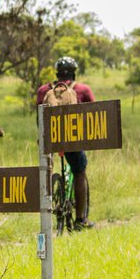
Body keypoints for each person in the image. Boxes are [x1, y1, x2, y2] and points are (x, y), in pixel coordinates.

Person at [36, 56, 95, 230]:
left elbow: (38, 116)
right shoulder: (83, 89)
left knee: (46, 171)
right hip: (72, 139)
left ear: (57, 73)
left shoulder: (43, 90)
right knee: (79, 173)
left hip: (50, 138)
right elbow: (94, 112)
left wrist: (42, 137)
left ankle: (50, 201)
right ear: (74, 73)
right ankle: (80, 220)